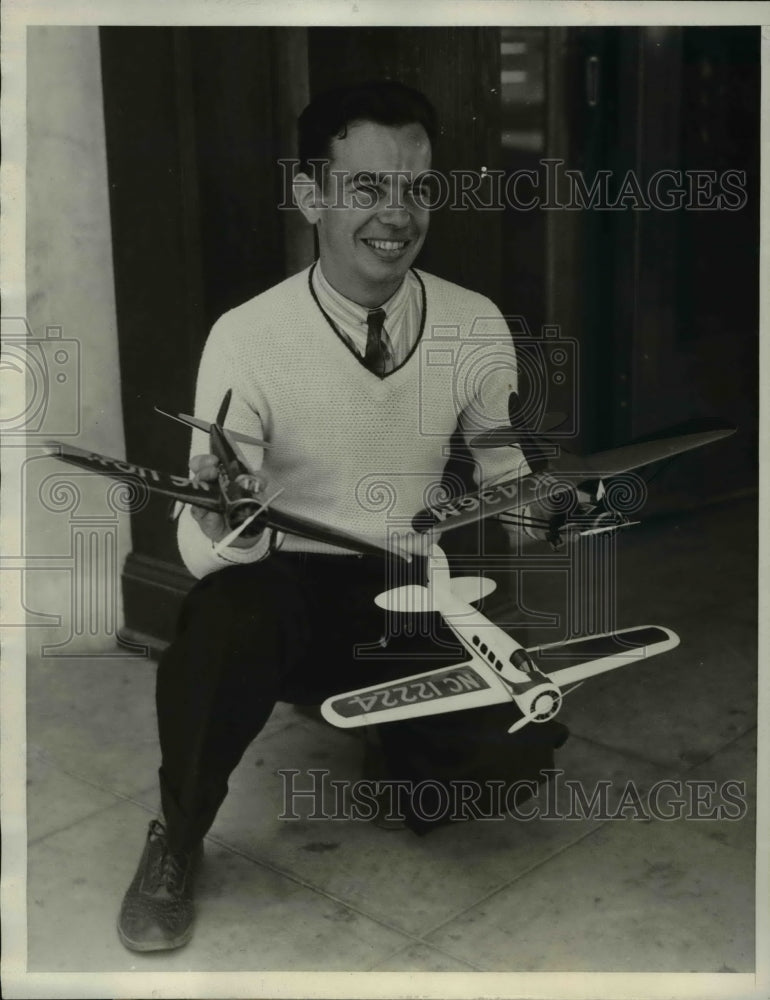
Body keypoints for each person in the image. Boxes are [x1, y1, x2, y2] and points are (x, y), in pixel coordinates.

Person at [117, 79, 566, 954]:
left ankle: (389, 740)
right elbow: (195, 535)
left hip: (407, 587)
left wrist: (545, 515)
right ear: (310, 193)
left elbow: (505, 467)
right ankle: (176, 832)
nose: (396, 216)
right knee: (221, 627)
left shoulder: (474, 324)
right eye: (366, 187)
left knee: (514, 757)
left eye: (416, 188)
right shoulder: (246, 336)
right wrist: (221, 519)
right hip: (284, 586)